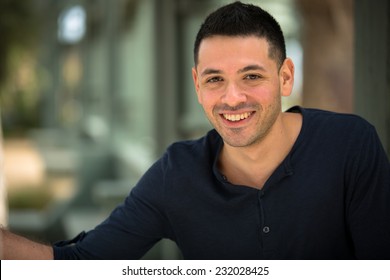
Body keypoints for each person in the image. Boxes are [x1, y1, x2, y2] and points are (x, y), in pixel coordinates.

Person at [1, 1, 389, 260]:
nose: (232, 98)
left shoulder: (350, 147)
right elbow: (84, 264)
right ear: (197, 85)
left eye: (251, 76)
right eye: (215, 79)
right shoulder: (177, 175)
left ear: (285, 76)